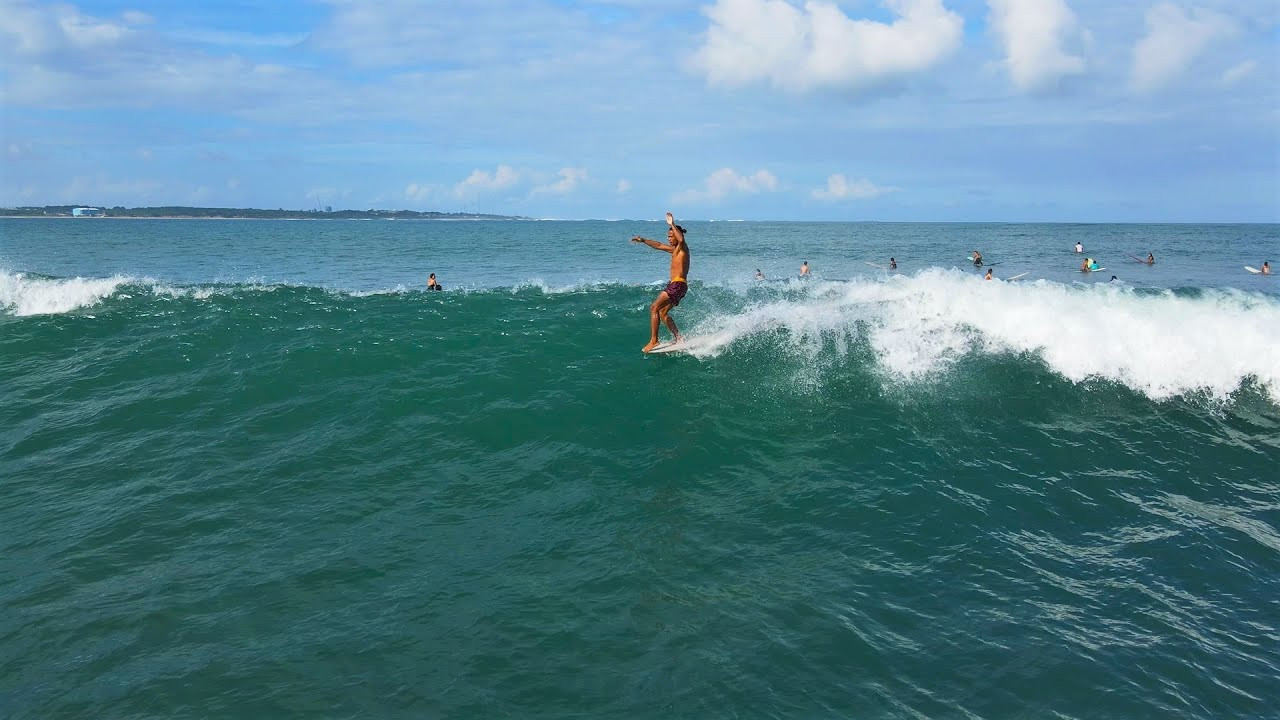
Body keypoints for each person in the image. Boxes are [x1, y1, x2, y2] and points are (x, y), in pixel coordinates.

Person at [632, 212, 690, 353]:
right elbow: (658, 245)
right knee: (663, 313)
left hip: (677, 284)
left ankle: (654, 340)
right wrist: (644, 240)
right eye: (668, 237)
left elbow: (681, 240)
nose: (669, 239)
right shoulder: (674, 250)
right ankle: (679, 338)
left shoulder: (682, 248)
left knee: (654, 308)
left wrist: (672, 224)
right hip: (678, 286)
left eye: (671, 236)